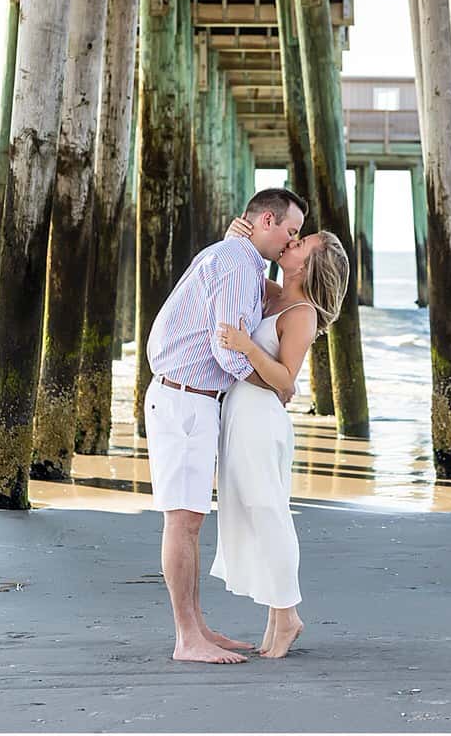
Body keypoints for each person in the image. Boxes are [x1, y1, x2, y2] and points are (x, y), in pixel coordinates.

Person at [141, 187, 306, 663]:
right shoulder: (238, 262)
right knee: (183, 521)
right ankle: (187, 638)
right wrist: (272, 383)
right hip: (184, 400)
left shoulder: (245, 262)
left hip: (193, 402)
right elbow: (226, 350)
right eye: (290, 231)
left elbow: (287, 304)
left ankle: (197, 627)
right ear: (268, 220)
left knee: (189, 522)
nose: (290, 241)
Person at [213, 220, 351, 660]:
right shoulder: (275, 296)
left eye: (301, 244)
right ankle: (275, 619)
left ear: (308, 267)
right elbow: (237, 274)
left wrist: (246, 347)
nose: (291, 243)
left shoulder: (302, 314)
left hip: (260, 416)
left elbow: (284, 380)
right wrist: (235, 237)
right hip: (240, 411)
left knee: (267, 512)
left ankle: (288, 615)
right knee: (251, 511)